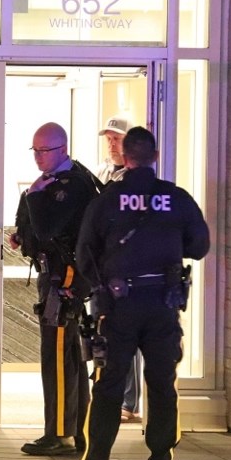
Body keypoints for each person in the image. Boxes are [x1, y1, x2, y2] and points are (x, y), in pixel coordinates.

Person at [74, 126, 210, 460]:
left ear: (126, 157)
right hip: (163, 304)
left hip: (119, 306)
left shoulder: (107, 199)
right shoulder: (175, 198)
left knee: (109, 386)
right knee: (163, 386)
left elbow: (84, 253)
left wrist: (103, 286)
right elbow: (199, 246)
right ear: (155, 156)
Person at [10, 122, 98, 456]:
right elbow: (35, 227)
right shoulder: (56, 180)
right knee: (68, 352)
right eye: (34, 150)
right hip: (56, 273)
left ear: (62, 149)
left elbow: (48, 226)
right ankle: (76, 429)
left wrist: (33, 196)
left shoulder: (72, 183)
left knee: (58, 353)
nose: (38, 157)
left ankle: (60, 432)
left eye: (44, 151)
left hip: (67, 275)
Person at [94, 114, 141, 424]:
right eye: (109, 138)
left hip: (128, 273)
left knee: (128, 337)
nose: (111, 143)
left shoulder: (136, 181)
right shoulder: (102, 174)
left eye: (117, 139)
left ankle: (130, 402)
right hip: (103, 271)